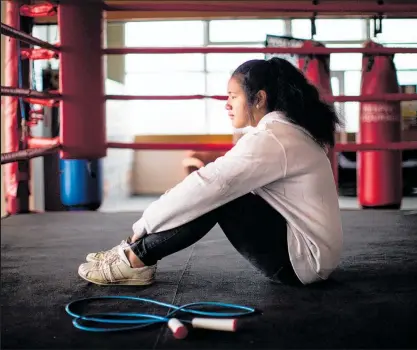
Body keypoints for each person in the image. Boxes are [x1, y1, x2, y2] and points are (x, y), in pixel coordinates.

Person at [78, 57, 343, 287]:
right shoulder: (284, 131)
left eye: (233, 96)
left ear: (259, 98)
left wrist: (144, 224)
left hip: (303, 263)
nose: (227, 104)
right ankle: (132, 252)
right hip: (309, 256)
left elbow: (209, 184)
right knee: (213, 190)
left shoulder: (274, 137)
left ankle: (134, 260)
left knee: (216, 195)